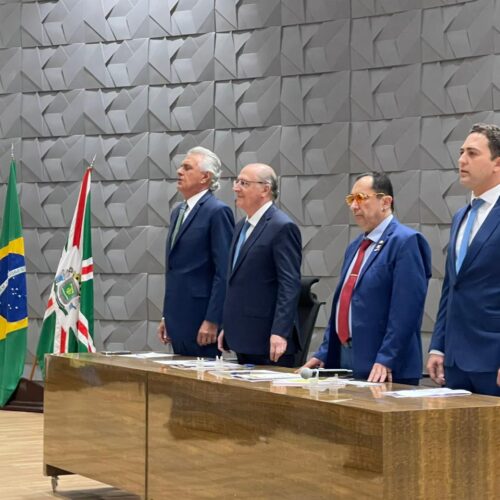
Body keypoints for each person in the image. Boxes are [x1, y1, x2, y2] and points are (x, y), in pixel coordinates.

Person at [303, 172, 432, 384]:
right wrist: (325, 352)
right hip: (345, 357)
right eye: (351, 200)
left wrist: (386, 358)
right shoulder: (356, 246)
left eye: (361, 198)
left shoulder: (406, 242)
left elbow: (406, 309)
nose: (354, 206)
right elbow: (343, 303)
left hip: (382, 366)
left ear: (386, 202)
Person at [427, 123, 500, 396]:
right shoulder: (461, 217)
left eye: (472, 153)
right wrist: (438, 345)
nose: (461, 160)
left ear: (497, 163)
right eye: (461, 152)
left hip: (492, 360)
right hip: (456, 361)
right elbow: (452, 287)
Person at [218, 163, 302, 367]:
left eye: (244, 183)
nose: (236, 188)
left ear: (265, 189)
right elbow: (237, 282)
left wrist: (280, 332)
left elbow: (289, 284)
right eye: (237, 182)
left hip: (269, 342)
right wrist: (227, 327)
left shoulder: (282, 227)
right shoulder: (240, 227)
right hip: (241, 337)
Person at [157, 147, 234, 357]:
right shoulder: (178, 212)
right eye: (181, 166)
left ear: (205, 177)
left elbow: (224, 271)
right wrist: (167, 316)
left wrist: (213, 319)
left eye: (187, 167)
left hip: (202, 322)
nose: (179, 171)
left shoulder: (217, 211)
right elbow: (175, 268)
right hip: (177, 318)